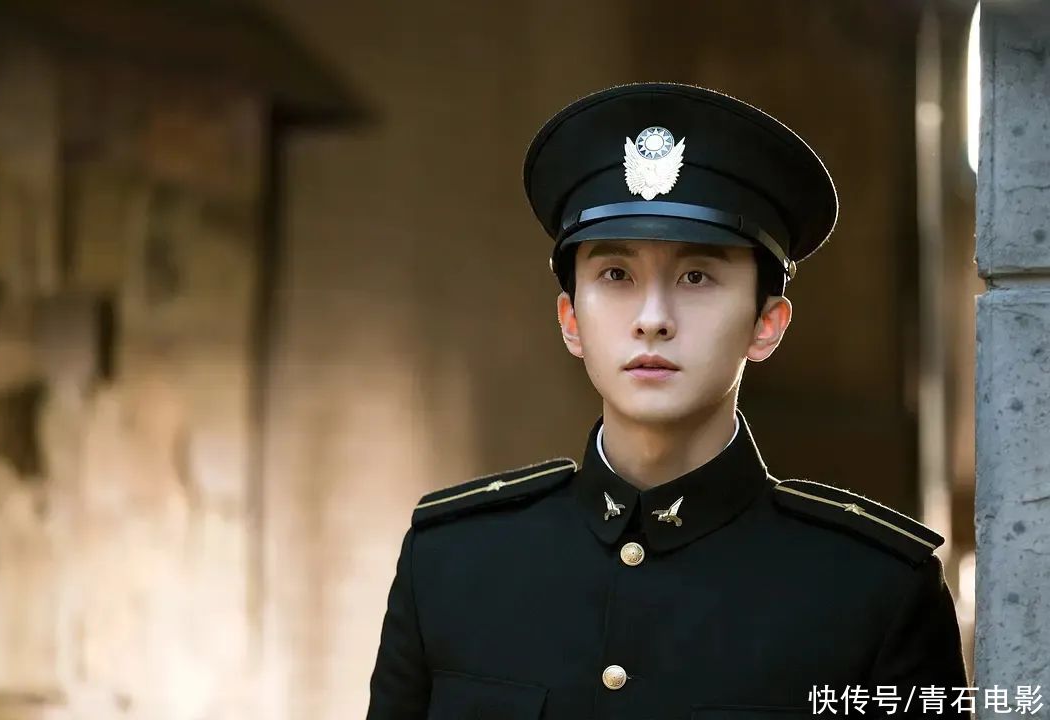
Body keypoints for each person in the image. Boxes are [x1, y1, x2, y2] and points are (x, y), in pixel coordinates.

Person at [366, 82, 970, 720]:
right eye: (616, 275)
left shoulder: (876, 592)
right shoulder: (450, 564)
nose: (652, 318)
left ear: (767, 324)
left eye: (697, 276)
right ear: (570, 320)